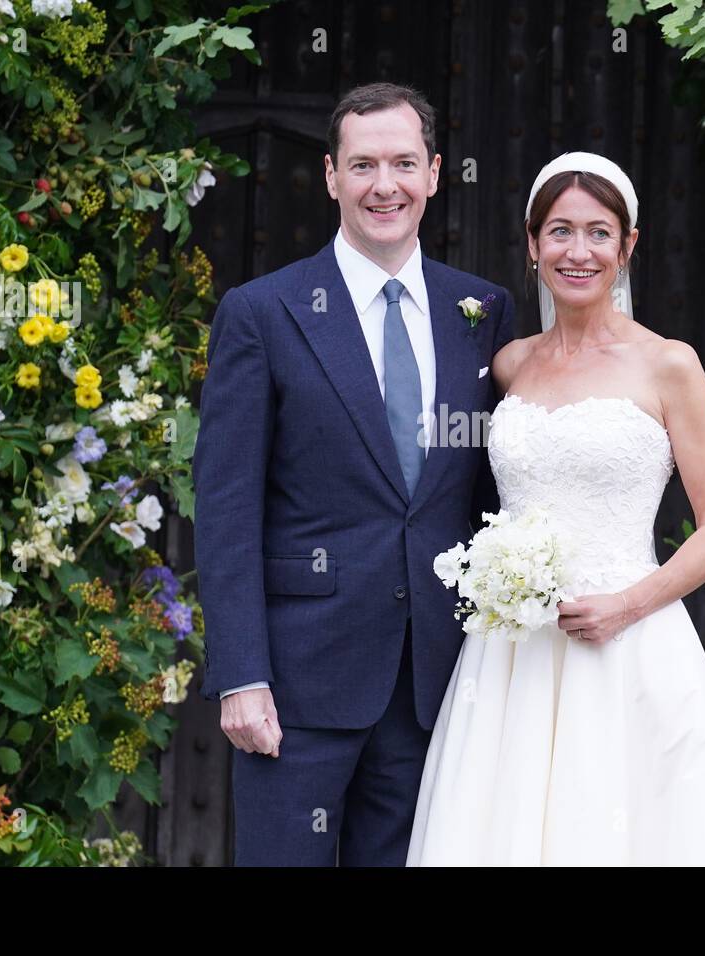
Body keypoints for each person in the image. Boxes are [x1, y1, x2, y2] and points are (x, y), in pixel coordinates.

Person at [406, 152, 705, 865]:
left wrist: (627, 605)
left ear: (628, 247)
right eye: (560, 232)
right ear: (533, 244)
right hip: (511, 657)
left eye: (599, 233)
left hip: (627, 645)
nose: (579, 251)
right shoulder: (510, 364)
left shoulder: (669, 365)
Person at [192, 82, 515, 866]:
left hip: (431, 687)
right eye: (363, 164)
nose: (385, 185)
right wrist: (241, 675)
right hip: (297, 688)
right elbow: (227, 505)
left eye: (404, 163)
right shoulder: (263, 313)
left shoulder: (482, 311)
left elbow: (489, 501)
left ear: (435, 173)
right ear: (332, 176)